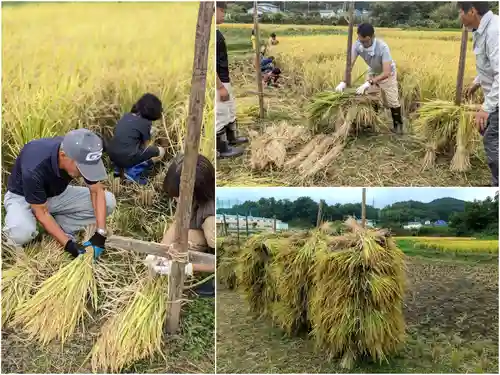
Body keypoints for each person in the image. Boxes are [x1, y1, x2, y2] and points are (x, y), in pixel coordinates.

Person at [3, 129, 116, 258]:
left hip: (56, 194)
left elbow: (96, 191)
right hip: (23, 198)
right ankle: (21, 228)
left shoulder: (80, 150)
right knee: (21, 233)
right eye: (82, 167)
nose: (85, 172)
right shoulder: (35, 167)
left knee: (109, 202)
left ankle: (59, 226)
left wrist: (100, 233)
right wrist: (68, 245)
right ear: (63, 155)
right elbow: (42, 212)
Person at [144, 154, 215, 296]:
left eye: (178, 196)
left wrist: (189, 267)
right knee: (182, 239)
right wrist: (160, 252)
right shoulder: (188, 198)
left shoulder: (212, 217)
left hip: (213, 244)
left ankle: (213, 283)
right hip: (201, 234)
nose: (176, 199)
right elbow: (177, 223)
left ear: (197, 191)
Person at [335, 23, 403, 134]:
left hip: (388, 74)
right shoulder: (358, 45)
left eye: (363, 41)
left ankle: (398, 127)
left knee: (392, 101)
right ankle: (372, 123)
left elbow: (386, 72)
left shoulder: (382, 47)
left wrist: (369, 82)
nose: (361, 43)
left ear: (370, 38)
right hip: (372, 71)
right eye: (359, 40)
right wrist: (343, 81)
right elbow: (349, 65)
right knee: (370, 97)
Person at [459, 2, 498, 187]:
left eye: (461, 12)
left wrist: (486, 108)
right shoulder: (483, 30)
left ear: (472, 11)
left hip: (496, 100)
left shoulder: (494, 31)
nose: (460, 17)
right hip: (494, 97)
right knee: (488, 134)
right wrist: (476, 83)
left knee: (492, 140)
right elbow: (489, 65)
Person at [106, 93, 166, 184]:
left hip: (112, 155)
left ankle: (117, 170)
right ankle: (133, 173)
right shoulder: (145, 123)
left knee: (126, 145)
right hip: (126, 157)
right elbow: (146, 147)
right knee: (160, 152)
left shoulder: (126, 116)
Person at [216, 1, 248, 159]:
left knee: (229, 109)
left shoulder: (215, 31)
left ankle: (231, 139)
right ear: (214, 10)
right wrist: (220, 86)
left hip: (224, 79)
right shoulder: (210, 35)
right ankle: (222, 149)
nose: (223, 14)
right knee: (220, 113)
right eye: (222, 11)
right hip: (219, 81)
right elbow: (209, 65)